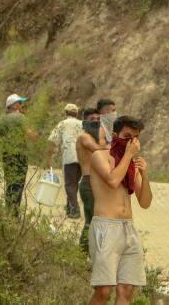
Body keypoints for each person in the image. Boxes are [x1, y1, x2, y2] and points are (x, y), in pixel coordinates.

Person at [88, 116, 152, 305]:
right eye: (127, 136)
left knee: (126, 289)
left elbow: (145, 202)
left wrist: (144, 173)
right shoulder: (100, 156)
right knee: (104, 290)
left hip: (128, 229)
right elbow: (113, 180)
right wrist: (128, 155)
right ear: (115, 135)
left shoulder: (131, 166)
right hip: (106, 227)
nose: (131, 142)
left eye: (135, 138)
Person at [0, 93, 39, 216]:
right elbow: (29, 134)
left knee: (10, 183)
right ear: (13, 105)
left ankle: (8, 211)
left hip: (7, 154)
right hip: (19, 154)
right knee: (18, 184)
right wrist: (37, 136)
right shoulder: (20, 117)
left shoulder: (0, 119)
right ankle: (14, 214)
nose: (22, 105)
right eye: (20, 103)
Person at [76, 108, 108, 252]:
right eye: (92, 119)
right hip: (89, 183)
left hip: (100, 183)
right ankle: (82, 254)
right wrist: (103, 139)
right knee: (91, 221)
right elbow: (98, 149)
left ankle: (93, 252)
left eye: (98, 119)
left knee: (100, 220)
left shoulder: (99, 139)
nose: (96, 122)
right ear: (85, 121)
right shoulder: (84, 137)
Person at [47, 103, 84, 218]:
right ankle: (69, 206)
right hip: (83, 157)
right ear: (77, 113)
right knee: (75, 183)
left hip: (69, 156)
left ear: (66, 113)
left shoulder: (62, 124)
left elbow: (53, 140)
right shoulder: (82, 124)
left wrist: (49, 158)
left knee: (69, 184)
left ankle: (75, 209)